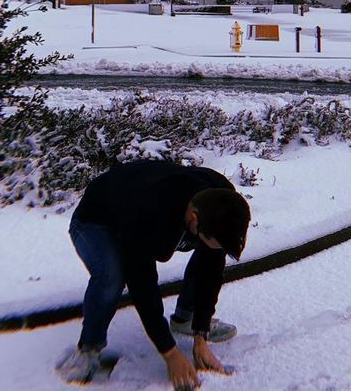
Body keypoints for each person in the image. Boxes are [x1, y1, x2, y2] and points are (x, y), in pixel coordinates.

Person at [58, 160, 251, 389]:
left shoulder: (221, 199)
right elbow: (142, 285)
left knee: (208, 252)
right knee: (113, 275)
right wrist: (170, 353)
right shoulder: (151, 213)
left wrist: (202, 333)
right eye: (211, 239)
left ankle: (185, 320)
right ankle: (88, 349)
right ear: (194, 219)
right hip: (95, 218)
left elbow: (211, 269)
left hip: (140, 205)